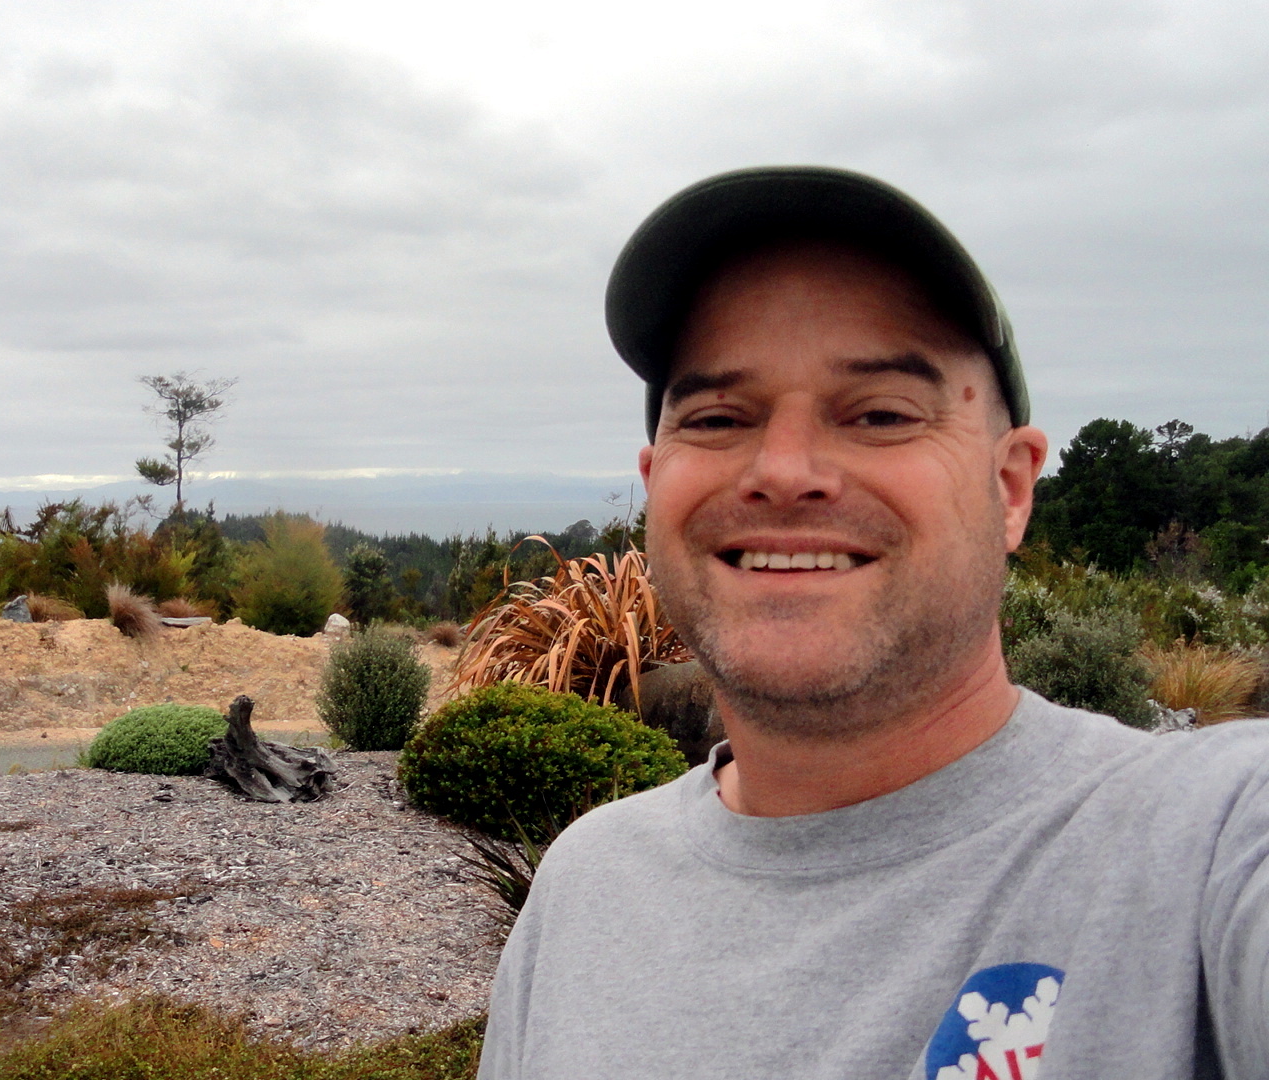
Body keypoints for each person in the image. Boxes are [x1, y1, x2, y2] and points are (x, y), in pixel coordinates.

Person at [477, 166, 1269, 1079]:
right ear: (656, 485)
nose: (784, 470)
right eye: (720, 417)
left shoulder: (1203, 842)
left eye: (881, 414)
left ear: (1011, 489)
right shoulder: (585, 890)